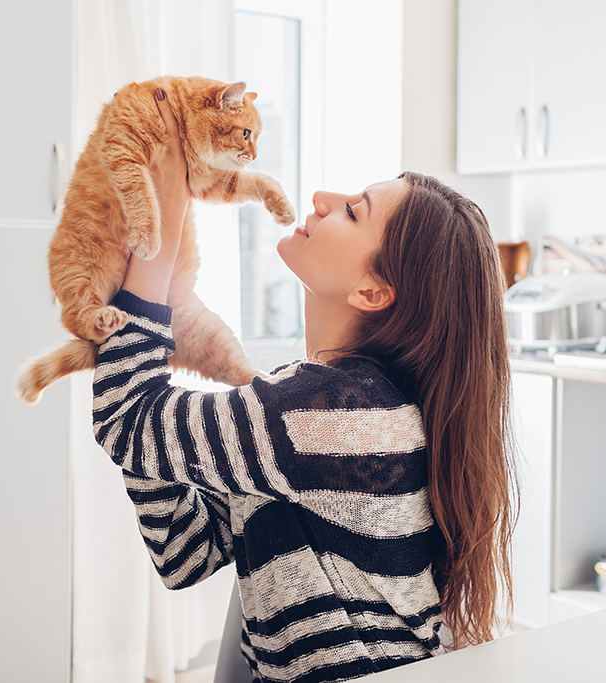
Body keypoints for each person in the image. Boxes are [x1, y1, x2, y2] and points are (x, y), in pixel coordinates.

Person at [91, 88, 517, 683]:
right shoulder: (321, 411)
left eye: (353, 212)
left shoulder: (332, 415)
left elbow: (125, 422)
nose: (321, 200)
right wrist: (151, 328)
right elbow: (183, 551)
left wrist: (152, 252)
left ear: (373, 293)